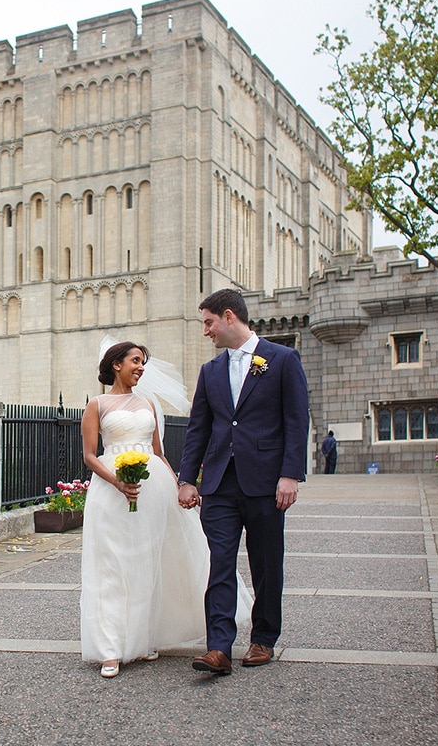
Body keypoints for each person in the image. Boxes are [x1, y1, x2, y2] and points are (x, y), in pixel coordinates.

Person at [80, 340, 250, 678]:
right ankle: (110, 647)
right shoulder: (96, 405)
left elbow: (157, 452)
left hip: (151, 485)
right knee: (112, 563)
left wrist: (178, 484)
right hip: (112, 489)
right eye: (136, 361)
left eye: (143, 362)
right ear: (116, 364)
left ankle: (142, 638)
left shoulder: (148, 402)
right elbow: (89, 456)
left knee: (148, 559)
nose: (141, 367)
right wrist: (117, 481)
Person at [178, 288, 309, 675]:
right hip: (219, 484)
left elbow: (296, 422)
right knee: (219, 563)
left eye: (208, 322)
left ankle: (263, 638)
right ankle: (218, 647)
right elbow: (198, 429)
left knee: (266, 562)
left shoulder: (282, 359)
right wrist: (188, 479)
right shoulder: (210, 371)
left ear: (229, 316)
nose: (206, 332)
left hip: (267, 483)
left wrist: (290, 475)